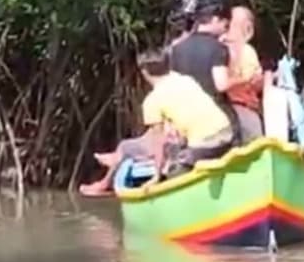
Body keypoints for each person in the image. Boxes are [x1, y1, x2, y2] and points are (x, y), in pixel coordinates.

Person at [79, 48, 235, 195]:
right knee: (131, 147)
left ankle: (112, 169)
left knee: (174, 172)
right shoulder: (186, 80)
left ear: (144, 72)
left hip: (204, 144)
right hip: (227, 133)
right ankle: (115, 161)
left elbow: (157, 143)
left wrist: (157, 176)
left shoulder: (153, 101)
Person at [167, 2, 241, 142]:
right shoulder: (218, 48)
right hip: (215, 112)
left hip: (183, 112)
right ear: (215, 19)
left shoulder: (177, 48)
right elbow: (221, 84)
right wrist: (244, 78)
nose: (225, 30)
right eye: (225, 25)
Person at [223, 5, 264, 140]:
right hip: (243, 109)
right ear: (248, 30)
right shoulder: (246, 51)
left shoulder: (215, 49)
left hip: (219, 113)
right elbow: (253, 82)